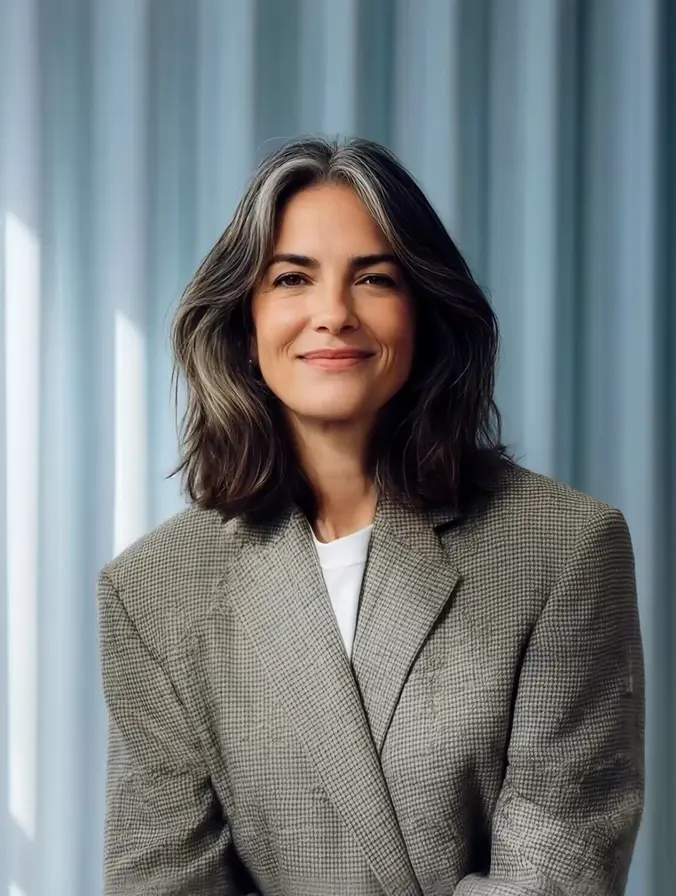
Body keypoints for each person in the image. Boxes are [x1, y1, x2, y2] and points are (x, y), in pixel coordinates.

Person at [98, 137, 645, 896]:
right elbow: (163, 879)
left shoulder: (564, 548)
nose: (333, 314)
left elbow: (557, 867)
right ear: (245, 323)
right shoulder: (152, 589)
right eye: (292, 278)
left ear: (424, 316)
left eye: (374, 279)